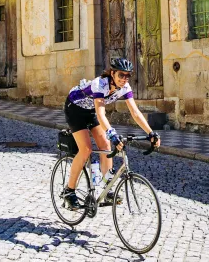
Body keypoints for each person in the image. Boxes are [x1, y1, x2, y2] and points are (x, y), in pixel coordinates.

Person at [63, 57, 161, 210]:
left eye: (128, 75)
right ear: (112, 73)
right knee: (86, 149)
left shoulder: (125, 87)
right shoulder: (99, 84)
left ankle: (107, 188)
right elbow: (101, 115)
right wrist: (112, 133)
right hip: (74, 109)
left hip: (90, 111)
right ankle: (69, 191)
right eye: (121, 75)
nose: (124, 79)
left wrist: (151, 132)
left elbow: (135, 112)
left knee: (105, 145)